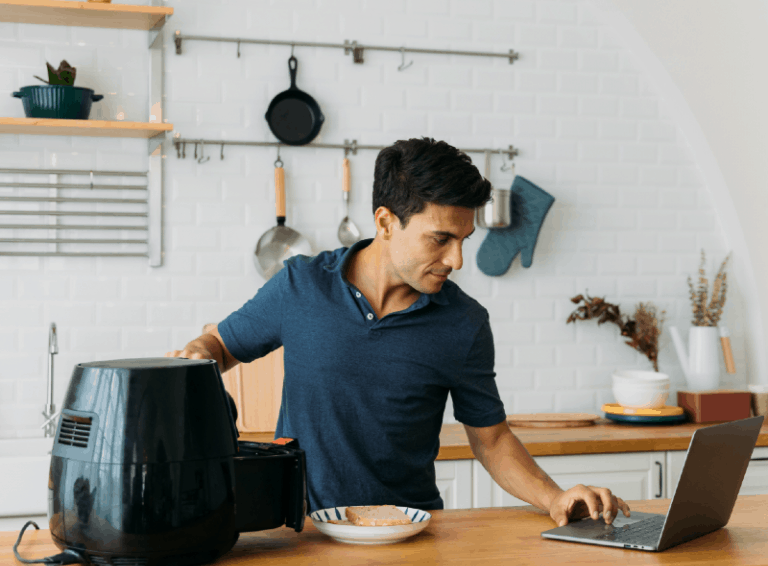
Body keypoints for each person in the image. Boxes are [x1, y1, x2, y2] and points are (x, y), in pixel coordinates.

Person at [166, 137, 630, 528]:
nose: (457, 261)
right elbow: (222, 345)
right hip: (302, 532)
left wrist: (553, 498)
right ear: (386, 222)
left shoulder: (464, 323)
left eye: (463, 240)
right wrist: (196, 355)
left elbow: (491, 440)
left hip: (408, 535)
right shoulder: (300, 285)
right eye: (440, 239)